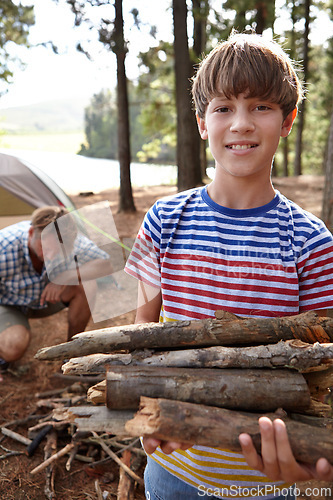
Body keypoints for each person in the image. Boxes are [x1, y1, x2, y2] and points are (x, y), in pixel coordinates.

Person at [125, 32, 333, 499]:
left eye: (261, 106)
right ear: (202, 122)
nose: (240, 123)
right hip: (171, 468)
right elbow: (141, 330)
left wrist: (312, 461)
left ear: (288, 120)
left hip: (262, 481)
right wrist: (142, 406)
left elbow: (322, 372)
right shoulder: (162, 221)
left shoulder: (312, 243)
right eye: (223, 108)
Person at [0, 205, 112, 379]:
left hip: (48, 300)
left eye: (58, 251)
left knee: (87, 282)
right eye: (46, 248)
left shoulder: (70, 239)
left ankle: (72, 354)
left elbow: (106, 263)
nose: (51, 256)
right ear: (31, 233)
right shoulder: (3, 245)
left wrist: (68, 276)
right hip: (10, 303)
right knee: (13, 346)